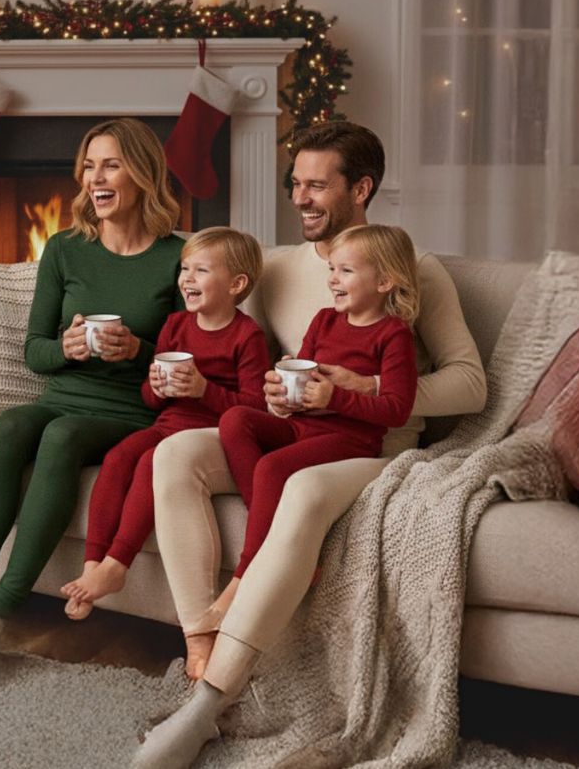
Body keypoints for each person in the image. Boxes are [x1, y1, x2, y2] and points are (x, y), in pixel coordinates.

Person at [137, 123, 487, 767]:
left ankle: (206, 706)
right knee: (175, 454)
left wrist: (361, 385)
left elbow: (471, 383)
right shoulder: (275, 267)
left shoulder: (411, 270)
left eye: (317, 185)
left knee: (295, 484)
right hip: (302, 428)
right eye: (295, 184)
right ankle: (199, 642)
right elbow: (211, 302)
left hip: (372, 445)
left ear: (361, 188)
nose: (300, 198)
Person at [0, 117, 184, 706]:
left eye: (110, 164)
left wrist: (140, 350)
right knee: (13, 425)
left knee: (60, 438)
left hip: (130, 411)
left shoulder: (177, 257)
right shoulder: (64, 248)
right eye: (88, 165)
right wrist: (70, 346)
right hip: (62, 393)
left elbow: (193, 354)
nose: (95, 177)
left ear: (141, 172)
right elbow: (35, 351)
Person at [60, 227, 270, 619]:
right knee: (119, 457)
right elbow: (151, 398)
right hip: (168, 424)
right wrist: (155, 387)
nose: (187, 279)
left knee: (148, 464)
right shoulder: (175, 326)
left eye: (201, 270)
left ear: (237, 284)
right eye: (184, 268)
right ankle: (93, 565)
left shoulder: (247, 337)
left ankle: (118, 564)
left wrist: (205, 389)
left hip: (206, 436)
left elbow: (256, 410)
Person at [217, 224, 419, 584]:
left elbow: (396, 409)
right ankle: (278, 532)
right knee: (235, 420)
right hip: (301, 426)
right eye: (331, 269)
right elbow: (303, 372)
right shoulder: (324, 319)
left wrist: (336, 397)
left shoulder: (394, 334)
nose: (333, 280)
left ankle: (247, 573)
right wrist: (280, 393)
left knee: (271, 468)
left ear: (385, 281)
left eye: (346, 271)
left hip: (351, 441)